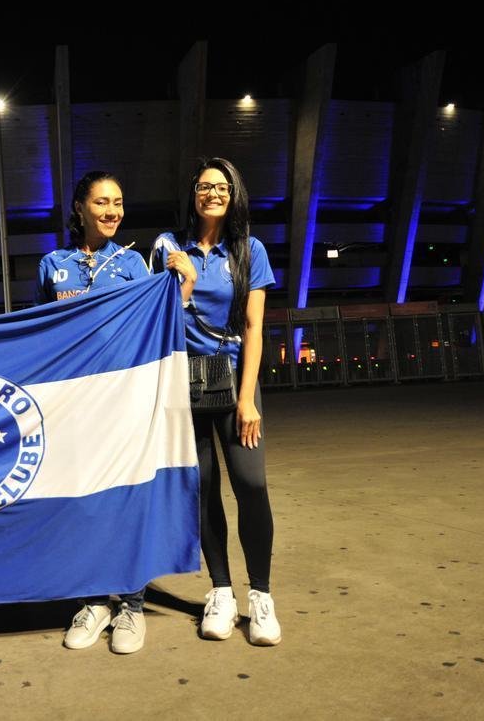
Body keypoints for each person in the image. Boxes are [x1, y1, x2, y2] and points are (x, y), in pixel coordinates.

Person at [150, 157, 281, 646]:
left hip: (232, 384)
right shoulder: (167, 246)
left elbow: (253, 329)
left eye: (222, 187)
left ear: (234, 195)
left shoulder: (250, 251)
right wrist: (180, 285)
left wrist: (248, 400)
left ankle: (261, 596)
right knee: (202, 489)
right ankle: (221, 590)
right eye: (205, 186)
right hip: (182, 386)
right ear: (193, 192)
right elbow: (155, 316)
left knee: (251, 483)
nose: (213, 193)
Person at [34, 171, 152, 654]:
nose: (112, 211)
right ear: (79, 207)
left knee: (125, 499)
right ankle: (92, 600)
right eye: (101, 202)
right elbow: (38, 332)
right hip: (73, 406)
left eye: (119, 202)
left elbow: (154, 325)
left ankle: (132, 605)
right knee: (80, 501)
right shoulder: (52, 264)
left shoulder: (135, 264)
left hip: (123, 401)